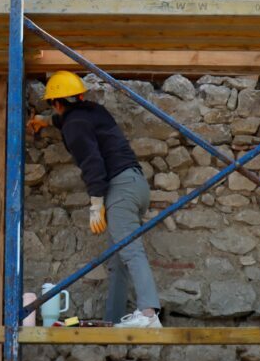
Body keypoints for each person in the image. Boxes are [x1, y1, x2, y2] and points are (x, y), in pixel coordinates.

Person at [27, 71, 162, 329]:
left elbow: (93, 164)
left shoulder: (74, 125)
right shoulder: (93, 112)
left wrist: (96, 205)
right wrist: (46, 121)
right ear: (79, 96)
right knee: (118, 260)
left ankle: (148, 314)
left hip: (119, 189)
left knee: (131, 252)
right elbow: (72, 120)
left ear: (56, 102)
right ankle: (113, 320)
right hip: (136, 186)